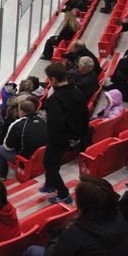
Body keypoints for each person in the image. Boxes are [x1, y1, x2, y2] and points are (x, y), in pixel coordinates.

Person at [11, 176, 128, 256]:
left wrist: (55, 241)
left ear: (85, 204)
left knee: (31, 252)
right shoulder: (120, 216)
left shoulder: (77, 232)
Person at [42, 62, 89, 204]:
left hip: (59, 139)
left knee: (49, 163)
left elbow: (55, 125)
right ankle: (50, 184)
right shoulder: (77, 91)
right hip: (76, 135)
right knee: (53, 161)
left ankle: (63, 194)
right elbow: (85, 114)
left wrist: (53, 140)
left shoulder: (54, 100)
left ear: (54, 80)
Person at [0, 99, 48, 179]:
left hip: (25, 159)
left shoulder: (17, 124)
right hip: (41, 157)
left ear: (22, 112)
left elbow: (7, 148)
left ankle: (0, 177)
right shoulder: (43, 120)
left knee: (0, 149)